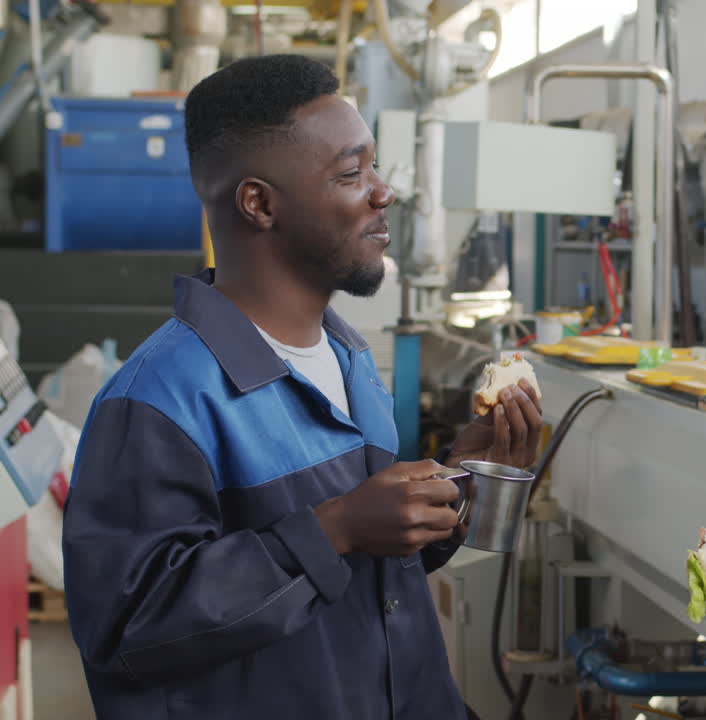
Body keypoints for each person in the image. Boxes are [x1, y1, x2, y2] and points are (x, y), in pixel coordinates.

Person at [62, 54, 542, 719]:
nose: (383, 193)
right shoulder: (157, 404)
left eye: (374, 166)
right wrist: (335, 528)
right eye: (351, 173)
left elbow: (367, 576)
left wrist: (457, 481)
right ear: (259, 203)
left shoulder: (346, 353)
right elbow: (125, 631)